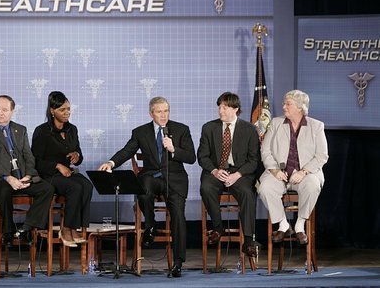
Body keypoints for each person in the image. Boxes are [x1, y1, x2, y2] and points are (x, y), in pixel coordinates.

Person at [99, 96, 196, 278]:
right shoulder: (140, 132)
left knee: (178, 215)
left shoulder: (181, 129)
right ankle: (150, 225)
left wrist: (174, 149)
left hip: (174, 179)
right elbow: (127, 151)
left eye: (166, 111)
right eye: (159, 111)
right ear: (151, 113)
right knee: (143, 188)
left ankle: (178, 263)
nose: (163, 115)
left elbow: (191, 157)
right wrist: (111, 163)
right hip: (152, 176)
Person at [0, 95, 54, 246]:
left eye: (5, 110)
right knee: (4, 190)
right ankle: (8, 232)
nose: (0, 113)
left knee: (47, 188)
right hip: (0, 178)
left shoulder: (20, 129)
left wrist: (28, 175)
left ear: (12, 111)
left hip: (22, 178)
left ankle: (26, 228)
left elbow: (28, 156)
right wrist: (8, 177)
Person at [258, 89, 328, 244]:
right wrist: (275, 170)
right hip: (279, 173)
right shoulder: (276, 123)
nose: (284, 107)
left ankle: (299, 225)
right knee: (265, 188)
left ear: (300, 107)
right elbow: (265, 150)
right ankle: (283, 224)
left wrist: (303, 172)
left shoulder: (316, 126)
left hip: (305, 174)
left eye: (288, 104)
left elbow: (322, 155)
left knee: (312, 186)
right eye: (284, 103)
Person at [197, 92, 260, 257]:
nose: (220, 111)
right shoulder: (209, 128)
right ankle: (218, 228)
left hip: (239, 173)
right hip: (216, 171)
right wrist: (215, 171)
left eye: (224, 107)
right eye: (219, 107)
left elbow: (253, 161)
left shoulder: (250, 130)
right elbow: (202, 156)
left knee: (247, 193)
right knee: (206, 187)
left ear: (235, 109)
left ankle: (248, 240)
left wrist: (237, 175)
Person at [31, 91, 93, 247]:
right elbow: (35, 161)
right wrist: (57, 166)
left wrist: (76, 155)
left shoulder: (72, 129)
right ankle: (66, 229)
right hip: (49, 174)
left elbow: (79, 156)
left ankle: (75, 228)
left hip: (68, 173)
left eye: (68, 109)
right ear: (52, 111)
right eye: (62, 110)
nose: (67, 113)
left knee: (87, 185)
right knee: (75, 187)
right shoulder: (42, 131)